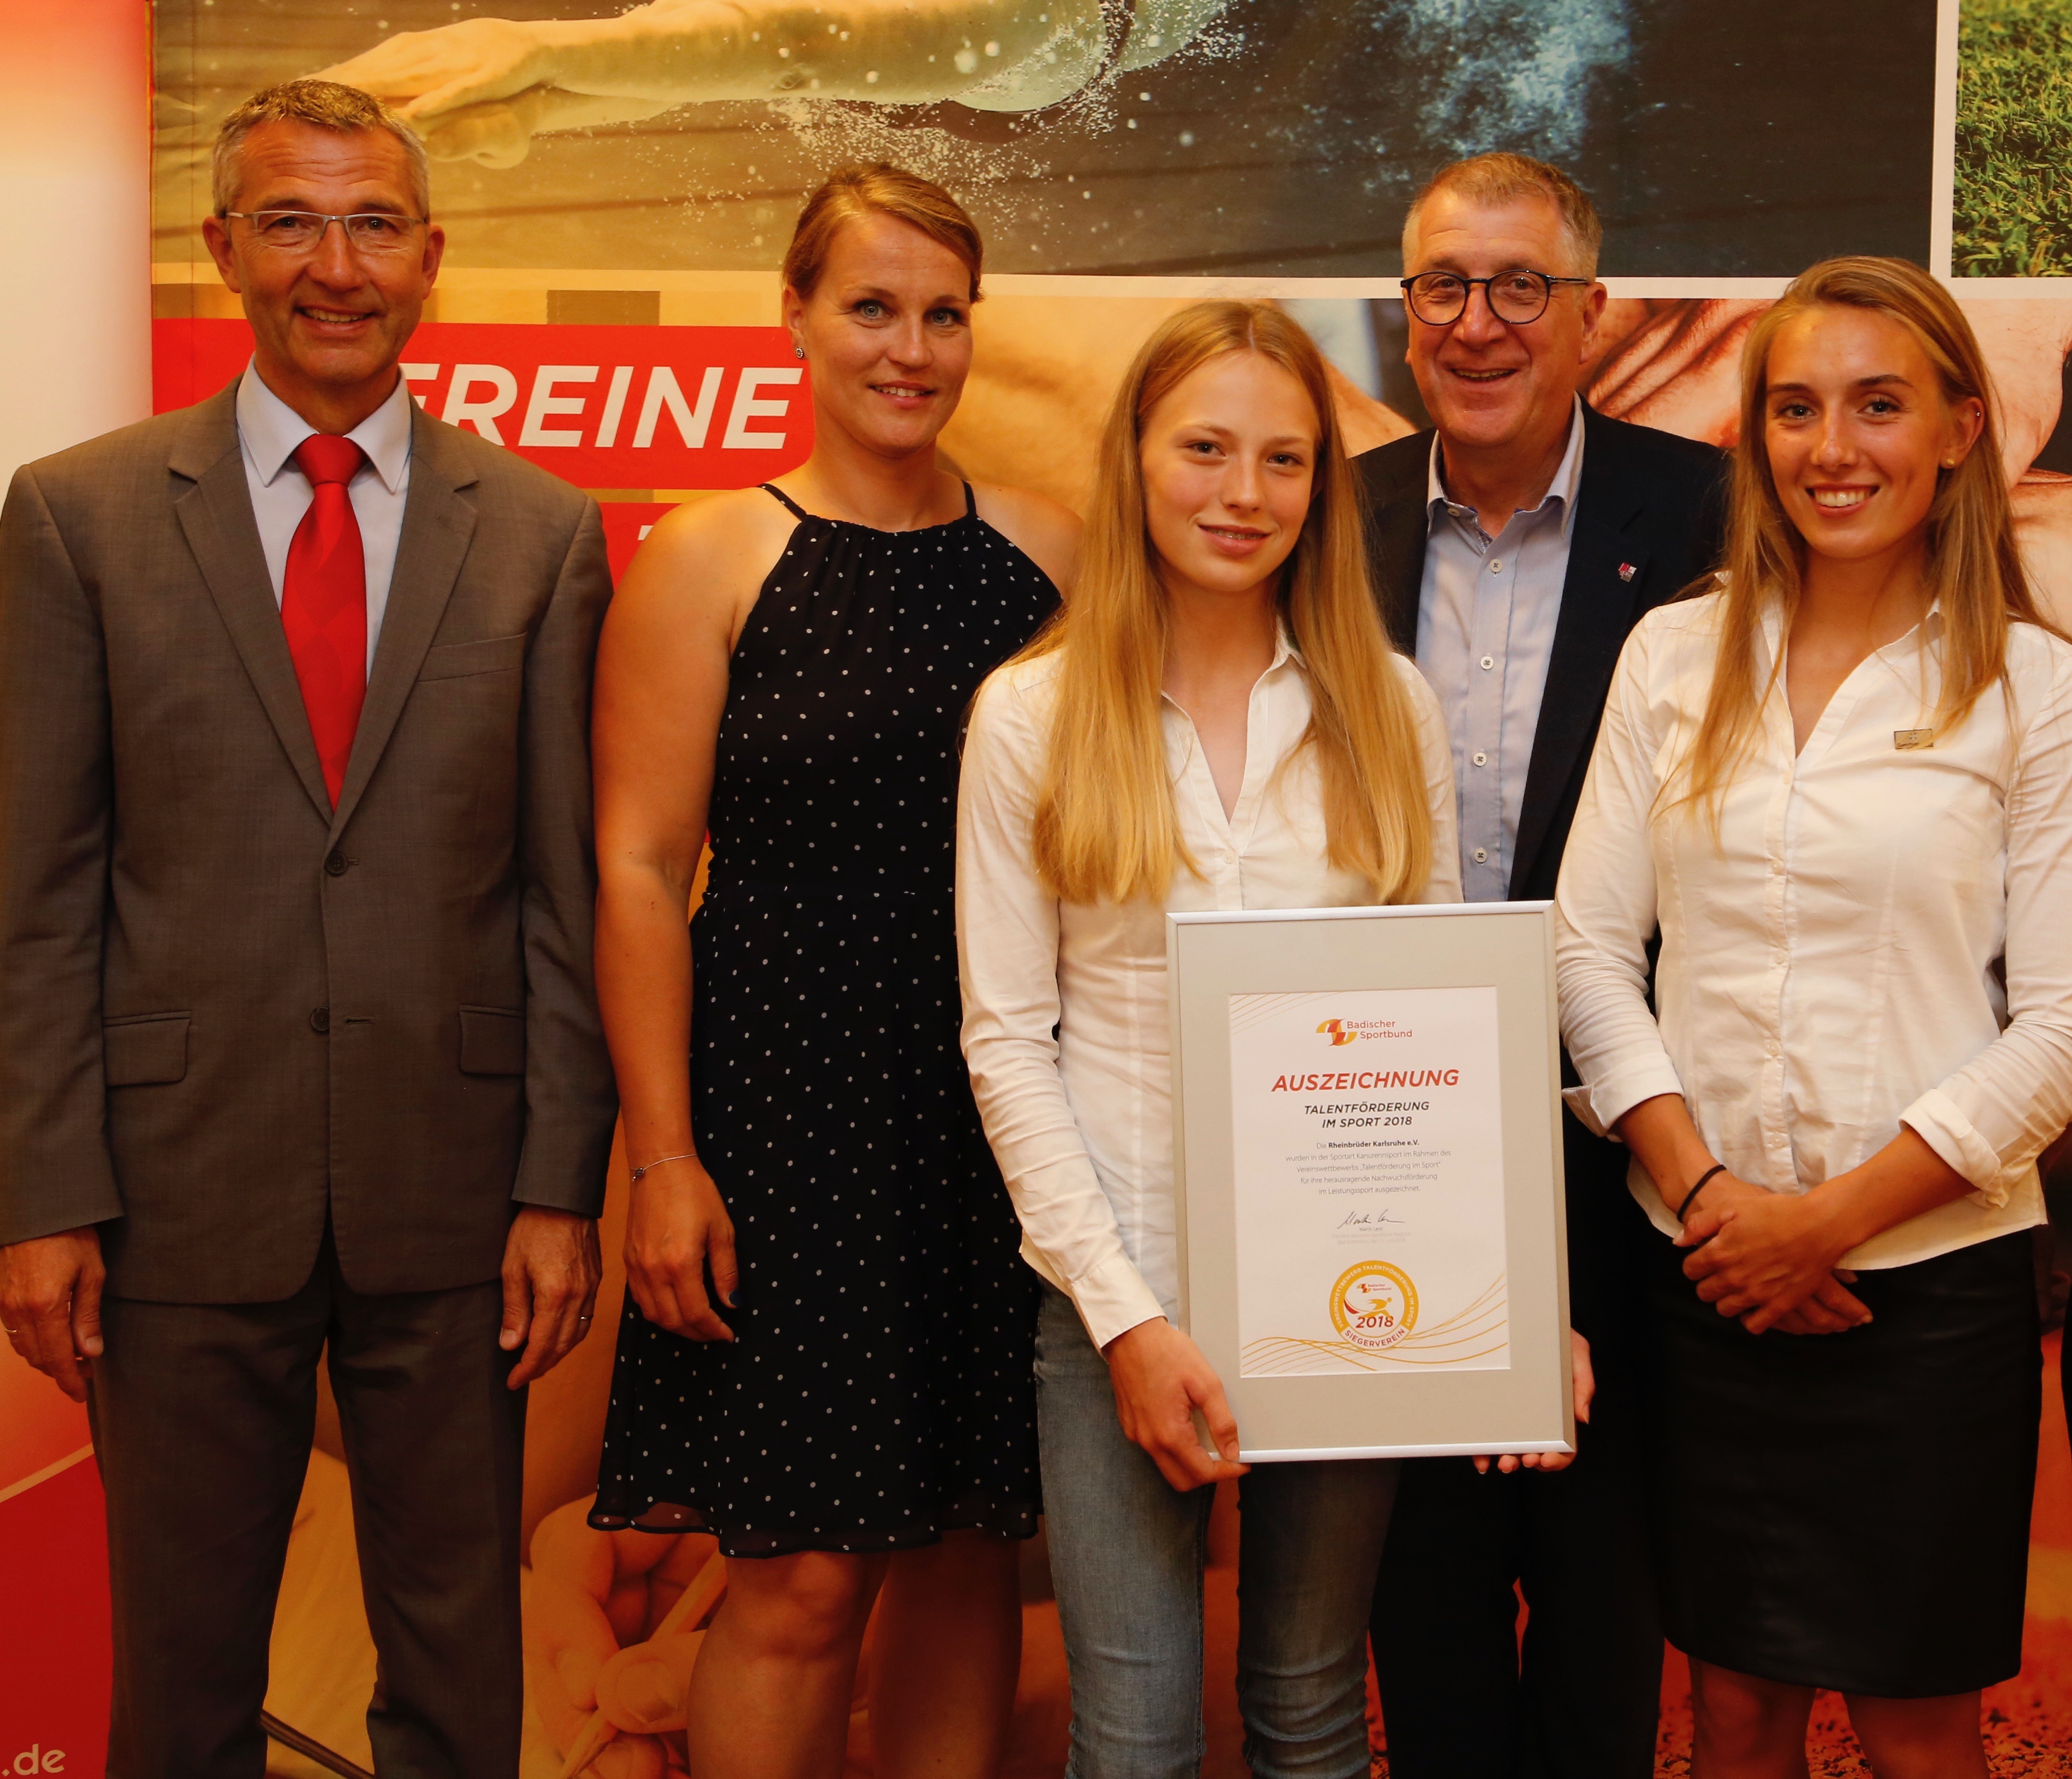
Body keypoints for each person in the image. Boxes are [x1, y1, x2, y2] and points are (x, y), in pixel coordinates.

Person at [0, 78, 617, 1779]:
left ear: (430, 261)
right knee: (182, 1686)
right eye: (289, 220)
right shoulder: (77, 516)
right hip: (173, 1192)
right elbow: (40, 892)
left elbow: (566, 901)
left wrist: (562, 1182)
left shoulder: (548, 537)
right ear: (220, 252)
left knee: (453, 1682)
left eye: (369, 225)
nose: (332, 265)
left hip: (460, 1197)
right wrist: (46, 1193)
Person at [586, 162, 1078, 1779]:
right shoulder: (714, 555)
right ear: (793, 317)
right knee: (797, 1575)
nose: (910, 347)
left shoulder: (1048, 556)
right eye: (871, 306)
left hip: (1001, 1109)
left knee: (961, 1551)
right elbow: (641, 873)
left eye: (944, 313)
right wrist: (663, 1161)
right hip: (783, 1116)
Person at [1556, 255, 2072, 1777]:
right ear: (1755, 433)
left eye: (1876, 405)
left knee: (1918, 1727)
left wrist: (1825, 1222)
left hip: (1926, 1294)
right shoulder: (1671, 656)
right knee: (1729, 1710)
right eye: (1793, 408)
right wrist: (1715, 1204)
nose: (1831, 448)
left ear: (1961, 429)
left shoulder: (2033, 687)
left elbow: (2052, 1030)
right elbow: (1586, 952)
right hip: (1707, 1279)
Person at [957, 298, 1462, 1777]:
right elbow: (1006, 1039)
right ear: (1135, 459)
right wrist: (1125, 1316)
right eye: (1205, 448)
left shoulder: (1390, 710)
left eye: (1285, 459)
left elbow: (1430, 1026)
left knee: (1310, 1705)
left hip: (1346, 1294)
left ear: (1323, 484)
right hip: (1118, 1291)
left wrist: (1491, 1294)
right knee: (1133, 1734)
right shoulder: (1031, 716)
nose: (1243, 494)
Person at [1355, 151, 1726, 1779]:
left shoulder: (1711, 513)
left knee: (1602, 1607)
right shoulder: (1324, 509)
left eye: (1521, 287)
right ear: (1406, 315)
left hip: (1625, 1127)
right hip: (1381, 1141)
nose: (1480, 322)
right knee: (1418, 1609)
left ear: (1590, 314)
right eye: (1446, 285)